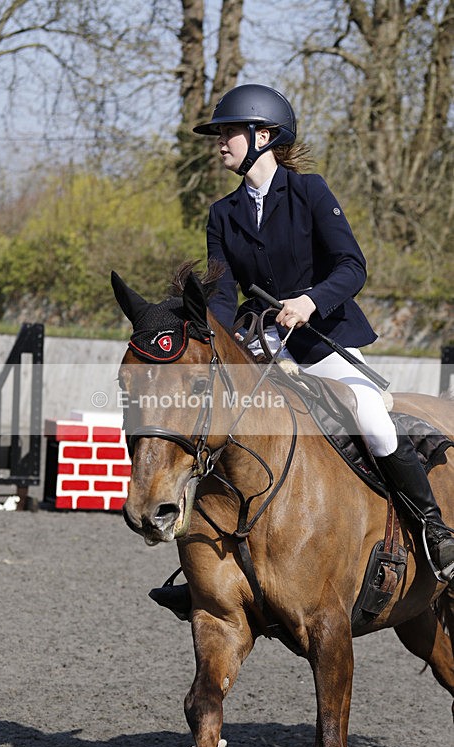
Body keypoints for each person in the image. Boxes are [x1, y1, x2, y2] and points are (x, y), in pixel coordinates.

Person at [150, 84, 453, 618]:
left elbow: (351, 266)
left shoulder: (309, 192)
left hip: (322, 340)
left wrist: (310, 301)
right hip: (262, 343)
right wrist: (213, 335)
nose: (220, 142)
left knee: (370, 416)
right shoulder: (222, 214)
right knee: (216, 424)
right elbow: (222, 293)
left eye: (228, 132)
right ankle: (203, 568)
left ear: (262, 136)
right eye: (219, 133)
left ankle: (434, 530)